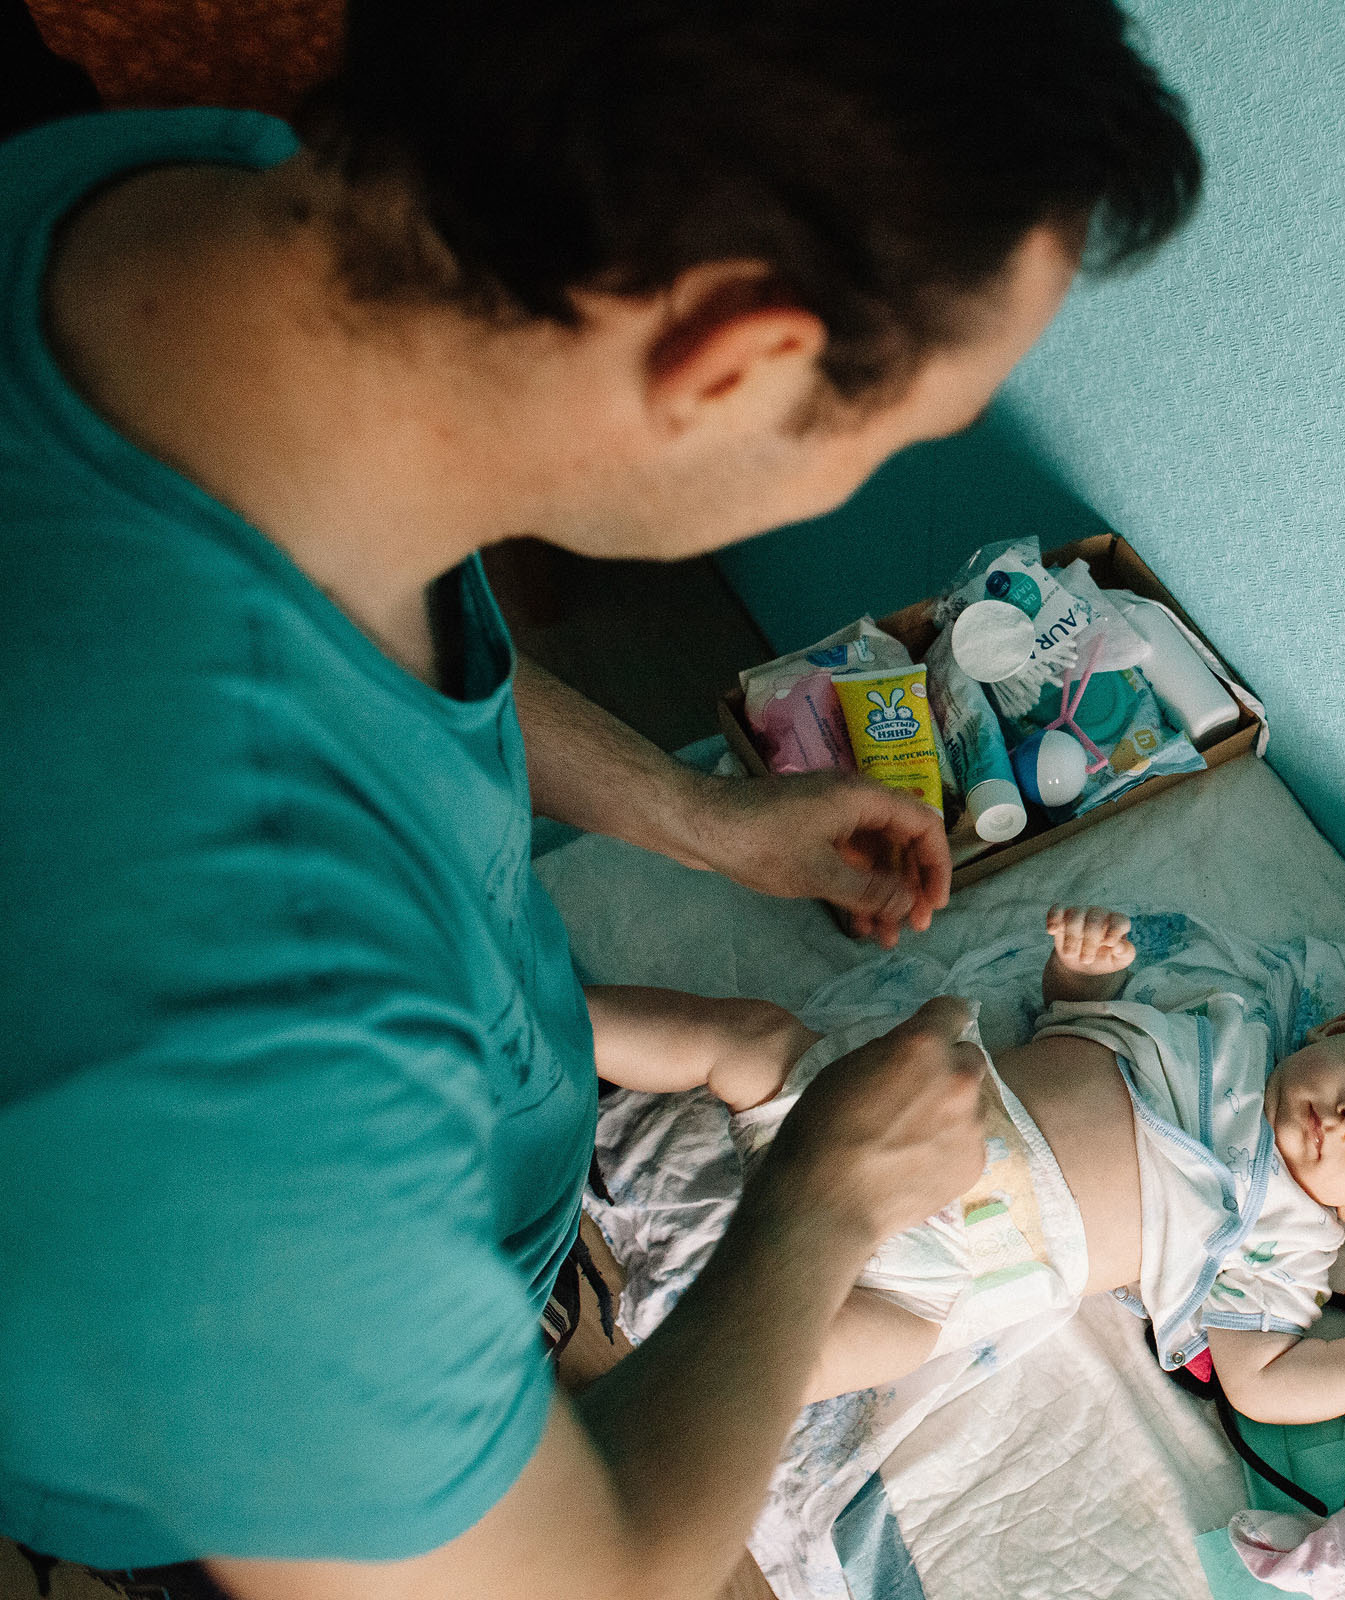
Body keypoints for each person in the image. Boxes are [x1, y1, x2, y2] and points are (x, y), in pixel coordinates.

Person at [0, 3, 1201, 1598]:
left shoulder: (192, 216)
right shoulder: (257, 1032)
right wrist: (820, 1206)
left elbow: (355, 635)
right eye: (905, 435)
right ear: (737, 363)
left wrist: (688, 814)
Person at [660, 905, 1345, 1425]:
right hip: (892, 1111)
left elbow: (1261, 1383)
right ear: (1339, 1031)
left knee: (804, 1360)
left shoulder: (1288, 1243)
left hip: (953, 1272)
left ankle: (629, 1428)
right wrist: (1084, 971)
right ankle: (541, 1032)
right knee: (747, 1038)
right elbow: (1068, 1022)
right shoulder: (1219, 1019)